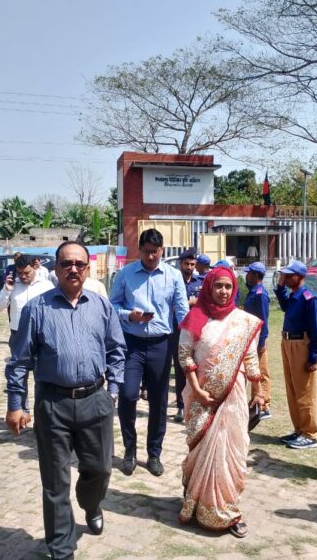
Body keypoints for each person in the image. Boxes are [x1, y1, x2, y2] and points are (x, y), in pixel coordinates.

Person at [5, 240, 126, 560]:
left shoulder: (101, 306)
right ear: (56, 268)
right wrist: (16, 404)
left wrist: (113, 391)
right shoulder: (37, 309)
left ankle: (90, 503)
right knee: (55, 482)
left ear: (88, 269)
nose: (74, 269)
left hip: (95, 400)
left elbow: (117, 350)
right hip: (53, 404)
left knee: (99, 469)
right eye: (66, 263)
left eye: (79, 264)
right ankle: (62, 549)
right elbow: (19, 361)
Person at [177, 266, 264, 538]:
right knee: (201, 451)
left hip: (232, 396)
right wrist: (197, 390)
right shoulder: (195, 316)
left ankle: (227, 509)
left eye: (228, 286)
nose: (223, 291)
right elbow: (185, 356)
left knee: (230, 452)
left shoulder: (242, 322)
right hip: (201, 397)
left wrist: (259, 391)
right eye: (218, 286)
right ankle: (195, 502)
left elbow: (250, 358)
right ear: (209, 287)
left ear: (234, 289)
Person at [110, 229, 189, 476]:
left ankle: (154, 453)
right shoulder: (125, 274)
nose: (151, 256)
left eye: (155, 252)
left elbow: (182, 311)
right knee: (128, 395)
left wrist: (191, 339)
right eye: (146, 252)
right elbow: (112, 306)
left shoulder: (173, 276)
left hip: (161, 345)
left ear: (162, 250)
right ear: (139, 250)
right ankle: (130, 450)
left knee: (159, 400)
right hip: (131, 343)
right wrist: (129, 315)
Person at [274, 261, 317, 449]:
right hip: (287, 343)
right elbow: (284, 305)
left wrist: (313, 356)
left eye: (289, 275)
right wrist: (280, 286)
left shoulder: (310, 299)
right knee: (292, 389)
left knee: (304, 391)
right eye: (284, 275)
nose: (285, 278)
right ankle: (299, 429)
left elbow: (316, 330)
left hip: (301, 345)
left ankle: (310, 434)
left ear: (300, 276)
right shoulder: (294, 296)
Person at [0, 254, 53, 354]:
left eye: (27, 272)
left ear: (34, 268)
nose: (23, 276)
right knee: (18, 364)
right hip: (18, 334)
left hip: (41, 334)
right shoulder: (11, 285)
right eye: (20, 273)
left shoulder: (46, 286)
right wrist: (7, 291)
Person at [171, 249, 202, 423]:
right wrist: (190, 302)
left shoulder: (200, 282)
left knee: (197, 366)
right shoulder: (173, 282)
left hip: (197, 330)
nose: (189, 267)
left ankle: (195, 403)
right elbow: (169, 306)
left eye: (192, 264)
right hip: (178, 330)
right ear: (180, 264)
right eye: (186, 264)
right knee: (181, 368)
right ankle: (181, 406)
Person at [243, 261, 272, 419]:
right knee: (254, 370)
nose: (246, 276)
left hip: (258, 338)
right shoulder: (253, 291)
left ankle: (265, 405)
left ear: (255, 275)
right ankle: (255, 402)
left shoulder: (260, 294)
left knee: (261, 371)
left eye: (249, 273)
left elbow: (263, 321)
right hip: (251, 337)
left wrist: (262, 342)